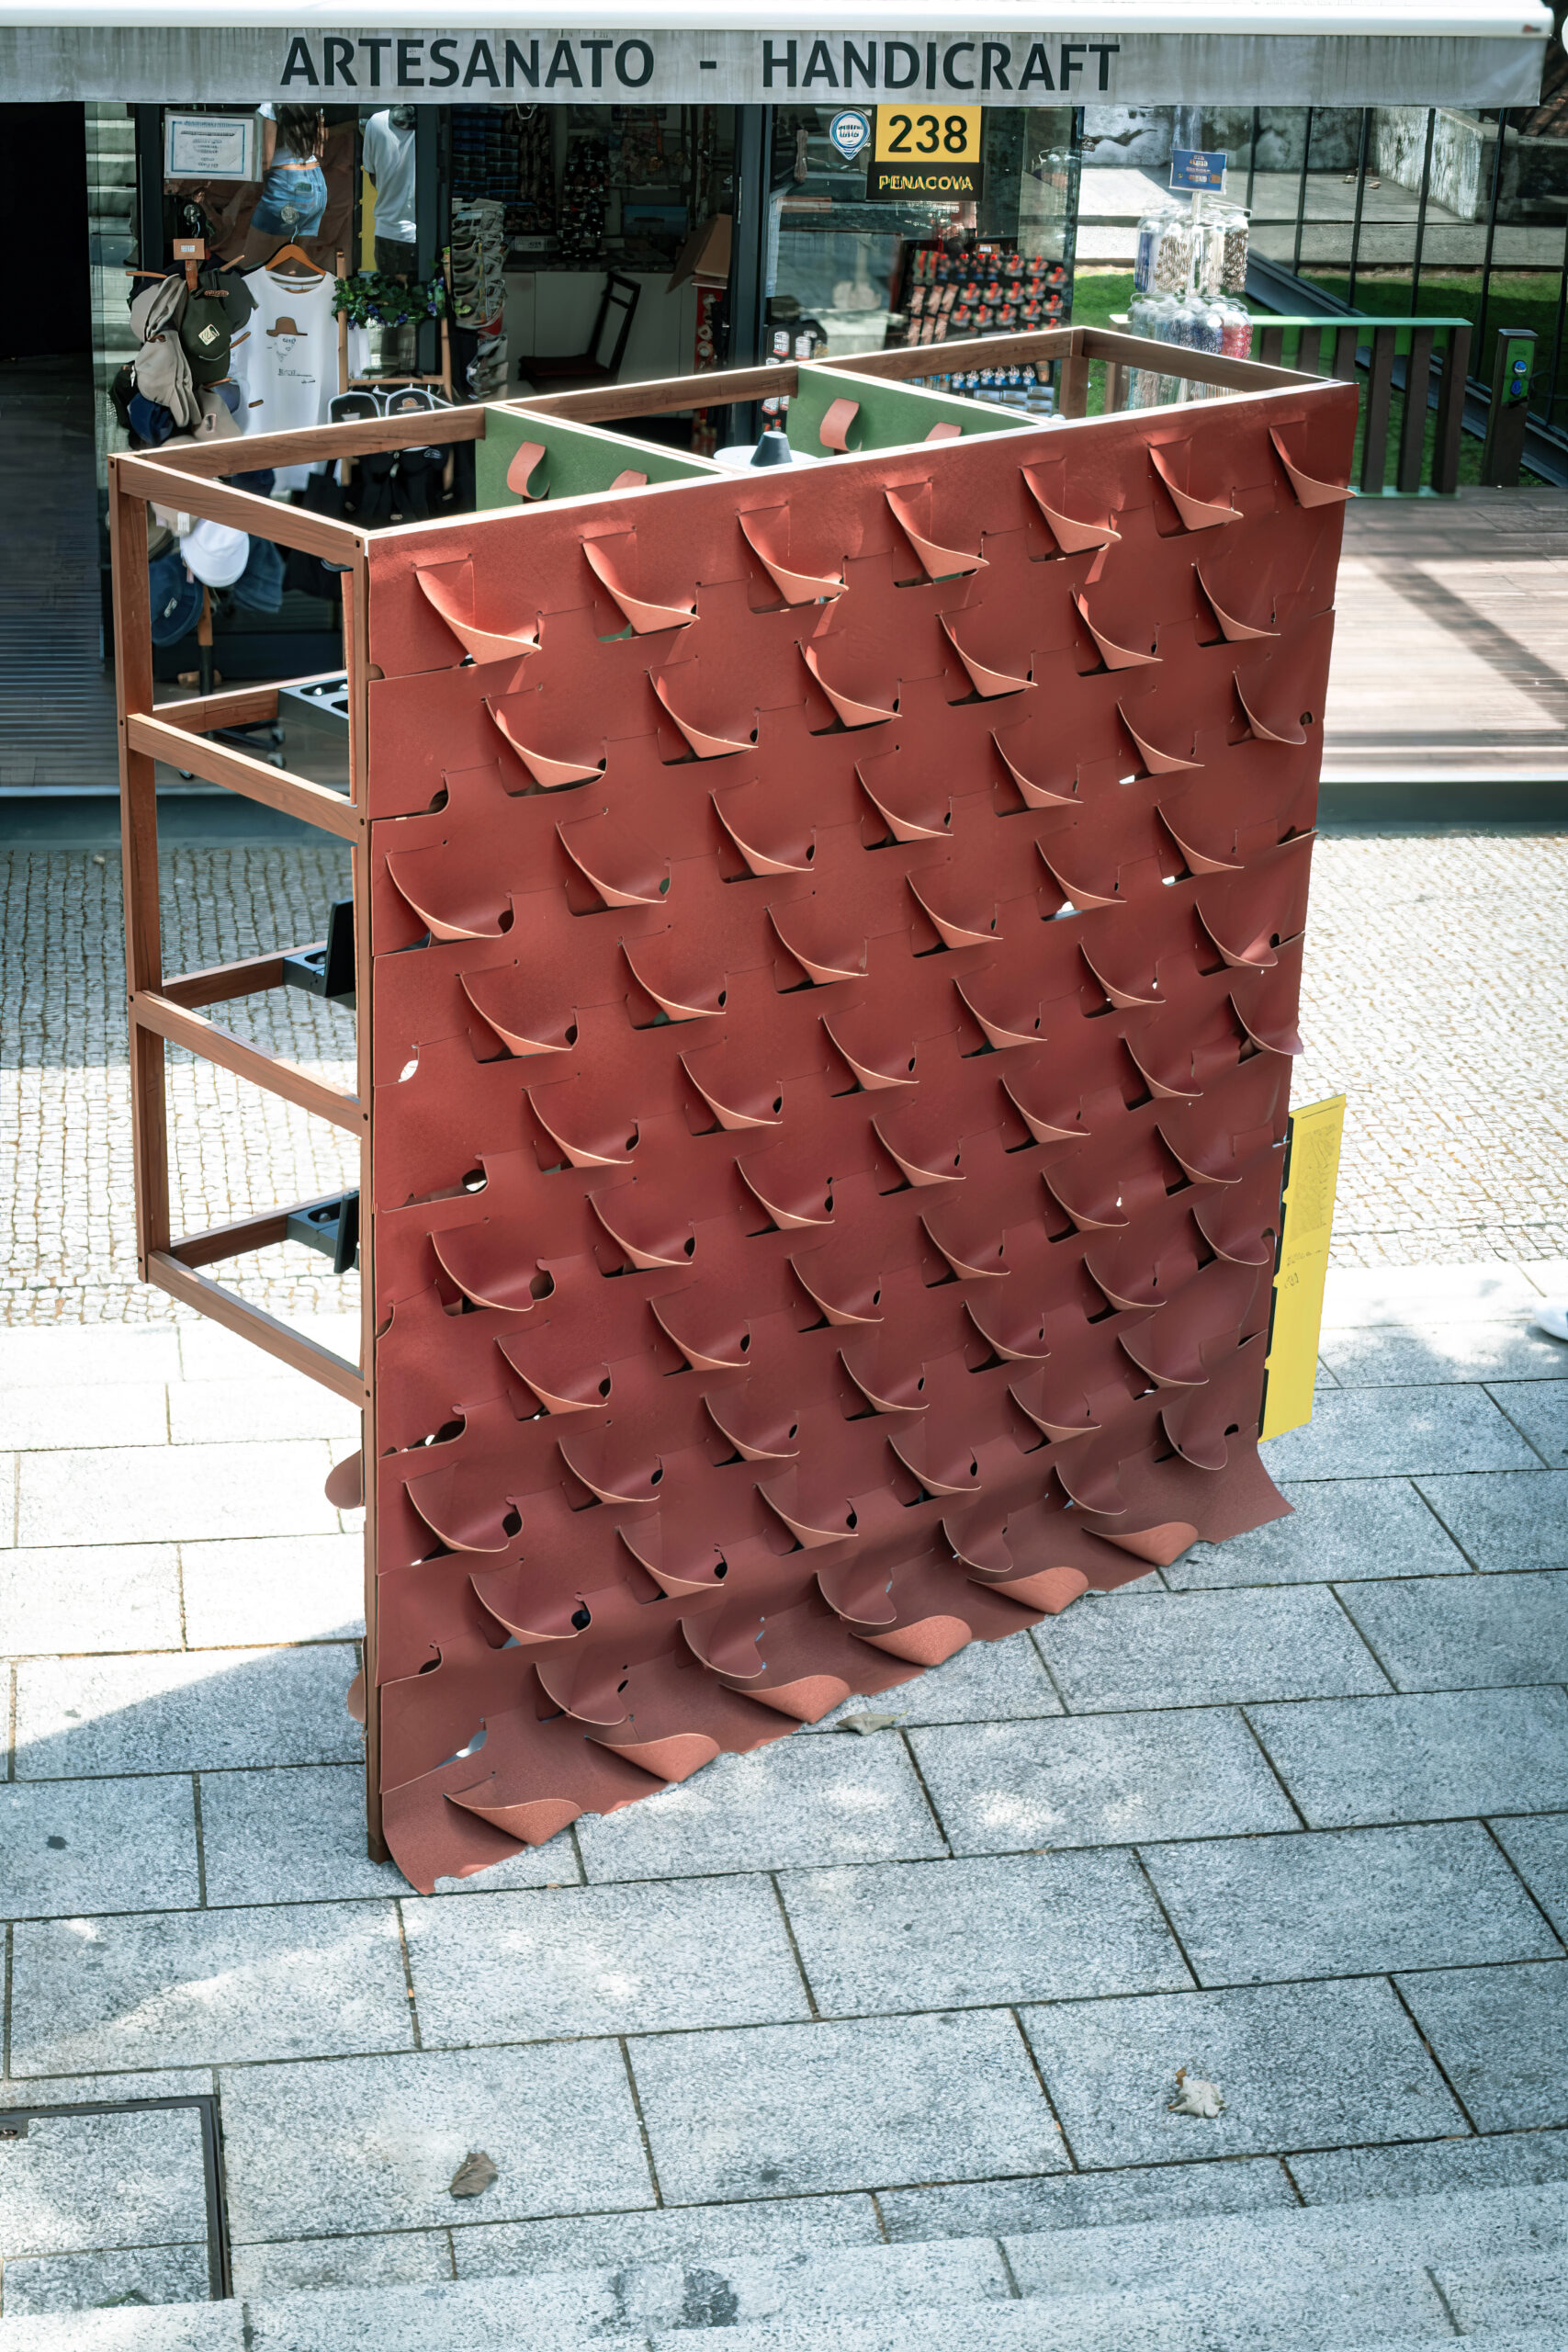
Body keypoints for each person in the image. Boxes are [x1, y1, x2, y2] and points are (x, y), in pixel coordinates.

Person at [243, 105, 328, 264]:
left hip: (285, 184)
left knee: (254, 260)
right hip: (316, 183)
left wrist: (245, 189)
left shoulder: (270, 106)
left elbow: (265, 160)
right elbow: (320, 152)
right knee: (294, 262)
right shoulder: (312, 102)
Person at [364, 106, 418, 277]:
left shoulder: (376, 122)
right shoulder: (434, 119)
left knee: (391, 298)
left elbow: (372, 174)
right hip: (425, 229)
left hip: (387, 227)